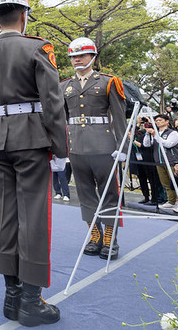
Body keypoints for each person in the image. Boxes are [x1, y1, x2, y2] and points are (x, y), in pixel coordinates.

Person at [0, 0, 67, 326]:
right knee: (33, 216)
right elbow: (52, 102)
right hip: (32, 140)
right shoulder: (38, 48)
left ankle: (11, 297)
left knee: (5, 216)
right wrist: (60, 149)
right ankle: (31, 301)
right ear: (24, 16)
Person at [61, 36, 127, 261]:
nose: (77, 60)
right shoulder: (64, 86)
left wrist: (122, 146)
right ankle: (95, 234)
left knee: (109, 193)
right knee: (85, 193)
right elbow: (61, 120)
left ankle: (110, 237)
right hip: (76, 146)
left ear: (93, 56)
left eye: (82, 55)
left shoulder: (108, 82)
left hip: (103, 147)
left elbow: (119, 117)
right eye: (73, 56)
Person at [143, 114, 178, 212]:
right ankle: (171, 201)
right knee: (166, 183)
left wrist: (155, 135)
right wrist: (147, 134)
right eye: (156, 121)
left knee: (177, 182)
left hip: (172, 161)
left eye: (160, 120)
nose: (157, 122)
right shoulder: (156, 133)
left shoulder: (172, 133)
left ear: (167, 121)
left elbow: (168, 144)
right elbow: (146, 144)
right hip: (159, 162)